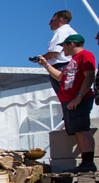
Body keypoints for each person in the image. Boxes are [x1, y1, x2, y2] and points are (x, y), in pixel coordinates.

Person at [37, 34, 96, 172]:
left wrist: (79, 96)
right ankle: (85, 163)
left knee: (82, 130)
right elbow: (59, 76)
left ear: (72, 44)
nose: (62, 49)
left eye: (64, 45)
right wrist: (46, 64)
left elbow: (90, 76)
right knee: (78, 130)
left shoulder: (85, 55)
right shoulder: (73, 61)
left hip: (78, 99)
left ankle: (88, 163)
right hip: (70, 100)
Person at [41, 10, 77, 92]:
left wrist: (42, 58)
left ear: (60, 20)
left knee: (65, 96)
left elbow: (55, 51)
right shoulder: (70, 31)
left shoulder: (62, 32)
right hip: (68, 66)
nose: (49, 23)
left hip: (61, 67)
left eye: (51, 21)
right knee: (68, 96)